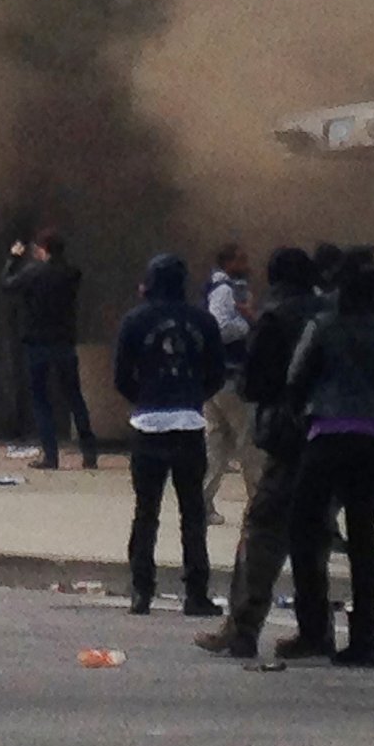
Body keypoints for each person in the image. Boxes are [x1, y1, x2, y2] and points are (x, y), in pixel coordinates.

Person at [196, 246, 319, 660]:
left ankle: (242, 629)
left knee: (263, 533)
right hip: (332, 439)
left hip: (287, 441)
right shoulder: (329, 314)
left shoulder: (274, 318)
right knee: (313, 538)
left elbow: (253, 384)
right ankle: (316, 630)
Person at [279, 263, 374, 668]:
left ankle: (314, 626)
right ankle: (364, 636)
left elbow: (296, 377)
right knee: (363, 538)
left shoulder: (322, 326)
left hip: (328, 434)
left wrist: (301, 418)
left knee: (303, 527)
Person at [111, 252, 226, 617]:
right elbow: (217, 374)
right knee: (192, 513)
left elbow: (120, 376)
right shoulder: (203, 321)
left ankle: (141, 592)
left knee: (146, 512)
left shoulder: (134, 321)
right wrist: (192, 398)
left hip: (148, 426)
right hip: (189, 426)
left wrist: (145, 399)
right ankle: (196, 594)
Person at [3, 228, 98, 470]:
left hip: (37, 343)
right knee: (74, 398)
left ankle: (51, 456)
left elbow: (7, 285)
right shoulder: (72, 273)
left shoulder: (33, 273)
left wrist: (13, 258)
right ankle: (89, 454)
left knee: (41, 400)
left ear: (42, 250)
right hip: (64, 342)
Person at [200, 242, 257, 523]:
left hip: (216, 378)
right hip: (230, 379)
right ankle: (258, 508)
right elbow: (220, 328)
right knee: (250, 444)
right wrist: (248, 322)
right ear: (228, 262)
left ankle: (202, 504)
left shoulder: (221, 288)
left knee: (217, 446)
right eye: (241, 259)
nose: (247, 264)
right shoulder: (225, 291)